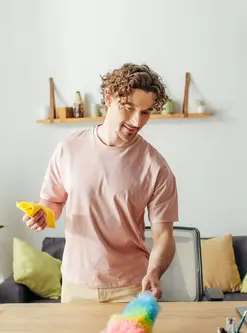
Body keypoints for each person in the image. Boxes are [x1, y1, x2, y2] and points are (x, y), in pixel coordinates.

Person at [23, 63, 178, 303]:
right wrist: (42, 214)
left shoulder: (156, 167)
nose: (137, 121)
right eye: (128, 108)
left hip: (130, 287)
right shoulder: (69, 148)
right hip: (76, 284)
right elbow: (52, 202)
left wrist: (154, 272)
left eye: (146, 112)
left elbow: (164, 236)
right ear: (108, 98)